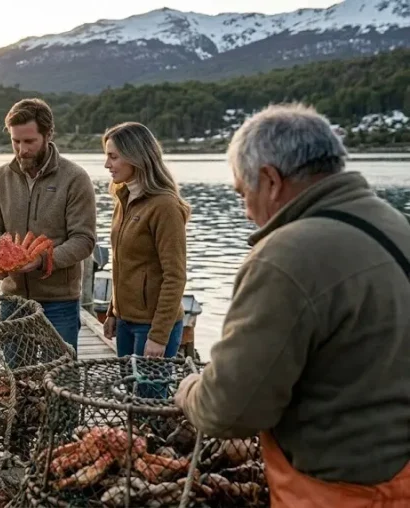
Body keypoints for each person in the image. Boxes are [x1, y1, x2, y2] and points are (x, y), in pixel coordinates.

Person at [174, 103, 410, 506]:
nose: (247, 213)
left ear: (270, 180)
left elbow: (229, 411)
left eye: (242, 194)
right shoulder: (394, 225)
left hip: (339, 490)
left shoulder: (284, 255)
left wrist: (190, 390)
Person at [0, 98, 96, 353]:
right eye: (15, 141)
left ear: (48, 134)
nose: (21, 149)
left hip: (59, 302)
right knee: (16, 377)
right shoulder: (1, 176)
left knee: (61, 377)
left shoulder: (75, 178)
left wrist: (42, 259)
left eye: (29, 141)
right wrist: (0, 248)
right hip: (13, 299)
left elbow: (84, 240)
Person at [100, 122, 189, 363]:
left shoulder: (165, 206)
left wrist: (159, 336)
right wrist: (112, 312)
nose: (107, 164)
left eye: (113, 157)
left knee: (149, 400)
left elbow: (175, 275)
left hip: (152, 326)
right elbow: (123, 264)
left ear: (135, 157)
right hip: (125, 323)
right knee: (127, 398)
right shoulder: (124, 198)